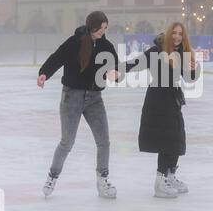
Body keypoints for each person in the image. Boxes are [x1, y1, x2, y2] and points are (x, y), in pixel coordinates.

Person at [37, 11, 119, 199]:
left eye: (106, 28)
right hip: (71, 97)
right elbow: (56, 58)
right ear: (92, 26)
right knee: (67, 142)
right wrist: (44, 73)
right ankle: (52, 176)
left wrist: (115, 73)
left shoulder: (106, 46)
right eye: (101, 28)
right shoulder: (74, 42)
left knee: (104, 141)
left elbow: (115, 66)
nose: (103, 31)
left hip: (95, 98)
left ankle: (102, 180)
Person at [124, 22, 200, 198]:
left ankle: (170, 175)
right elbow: (135, 63)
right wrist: (115, 70)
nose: (177, 37)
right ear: (168, 34)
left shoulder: (182, 53)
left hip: (172, 98)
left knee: (177, 138)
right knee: (167, 140)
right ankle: (160, 180)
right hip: (157, 98)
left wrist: (194, 70)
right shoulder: (157, 51)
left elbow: (189, 78)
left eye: (180, 34)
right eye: (174, 33)